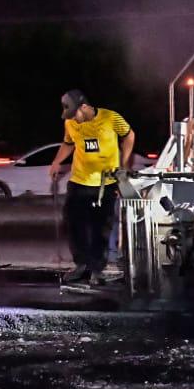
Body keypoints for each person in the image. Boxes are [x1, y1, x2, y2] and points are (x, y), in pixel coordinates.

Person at [51, 90, 133, 285]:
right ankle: (81, 265)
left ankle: (97, 268)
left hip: (106, 183)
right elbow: (68, 143)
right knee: (74, 224)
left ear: (84, 107)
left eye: (74, 114)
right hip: (79, 181)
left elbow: (129, 136)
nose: (73, 120)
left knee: (101, 227)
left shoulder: (111, 118)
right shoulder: (70, 123)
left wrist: (124, 163)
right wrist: (56, 162)